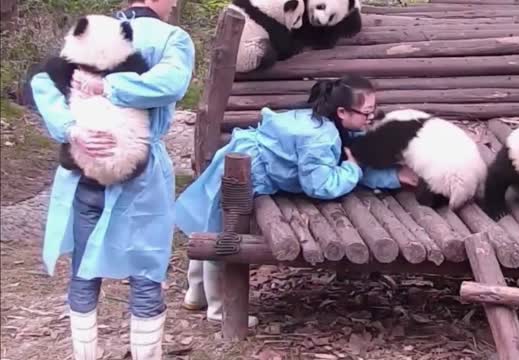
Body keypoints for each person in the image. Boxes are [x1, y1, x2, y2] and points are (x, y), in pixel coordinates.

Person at [175, 75, 419, 327]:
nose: (371, 117)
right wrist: (352, 170)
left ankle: (196, 294)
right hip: (243, 175)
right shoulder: (320, 138)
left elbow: (349, 158)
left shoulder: (321, 120)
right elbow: (320, 185)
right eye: (367, 113)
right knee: (222, 239)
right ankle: (219, 310)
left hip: (238, 161)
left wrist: (390, 175)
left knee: (209, 226)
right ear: (342, 111)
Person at [30, 1, 195, 359]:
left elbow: (44, 79)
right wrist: (112, 89)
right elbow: (172, 84)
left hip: (84, 168)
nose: (177, 4)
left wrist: (70, 128)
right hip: (142, 172)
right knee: (146, 270)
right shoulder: (172, 38)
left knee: (83, 269)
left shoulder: (91, 29)